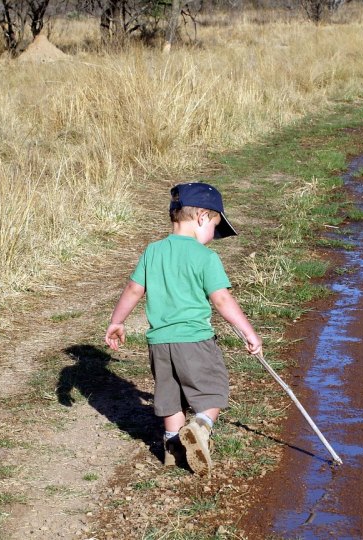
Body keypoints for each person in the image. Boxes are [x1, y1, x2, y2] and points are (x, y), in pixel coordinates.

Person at [104, 182, 262, 475]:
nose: (214, 237)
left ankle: (172, 448)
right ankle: (200, 428)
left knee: (169, 396)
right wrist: (248, 332)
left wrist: (117, 321)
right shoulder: (205, 257)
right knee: (212, 390)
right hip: (194, 340)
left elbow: (133, 289)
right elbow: (222, 299)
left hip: (159, 343)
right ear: (202, 216)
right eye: (216, 226)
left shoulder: (153, 252)